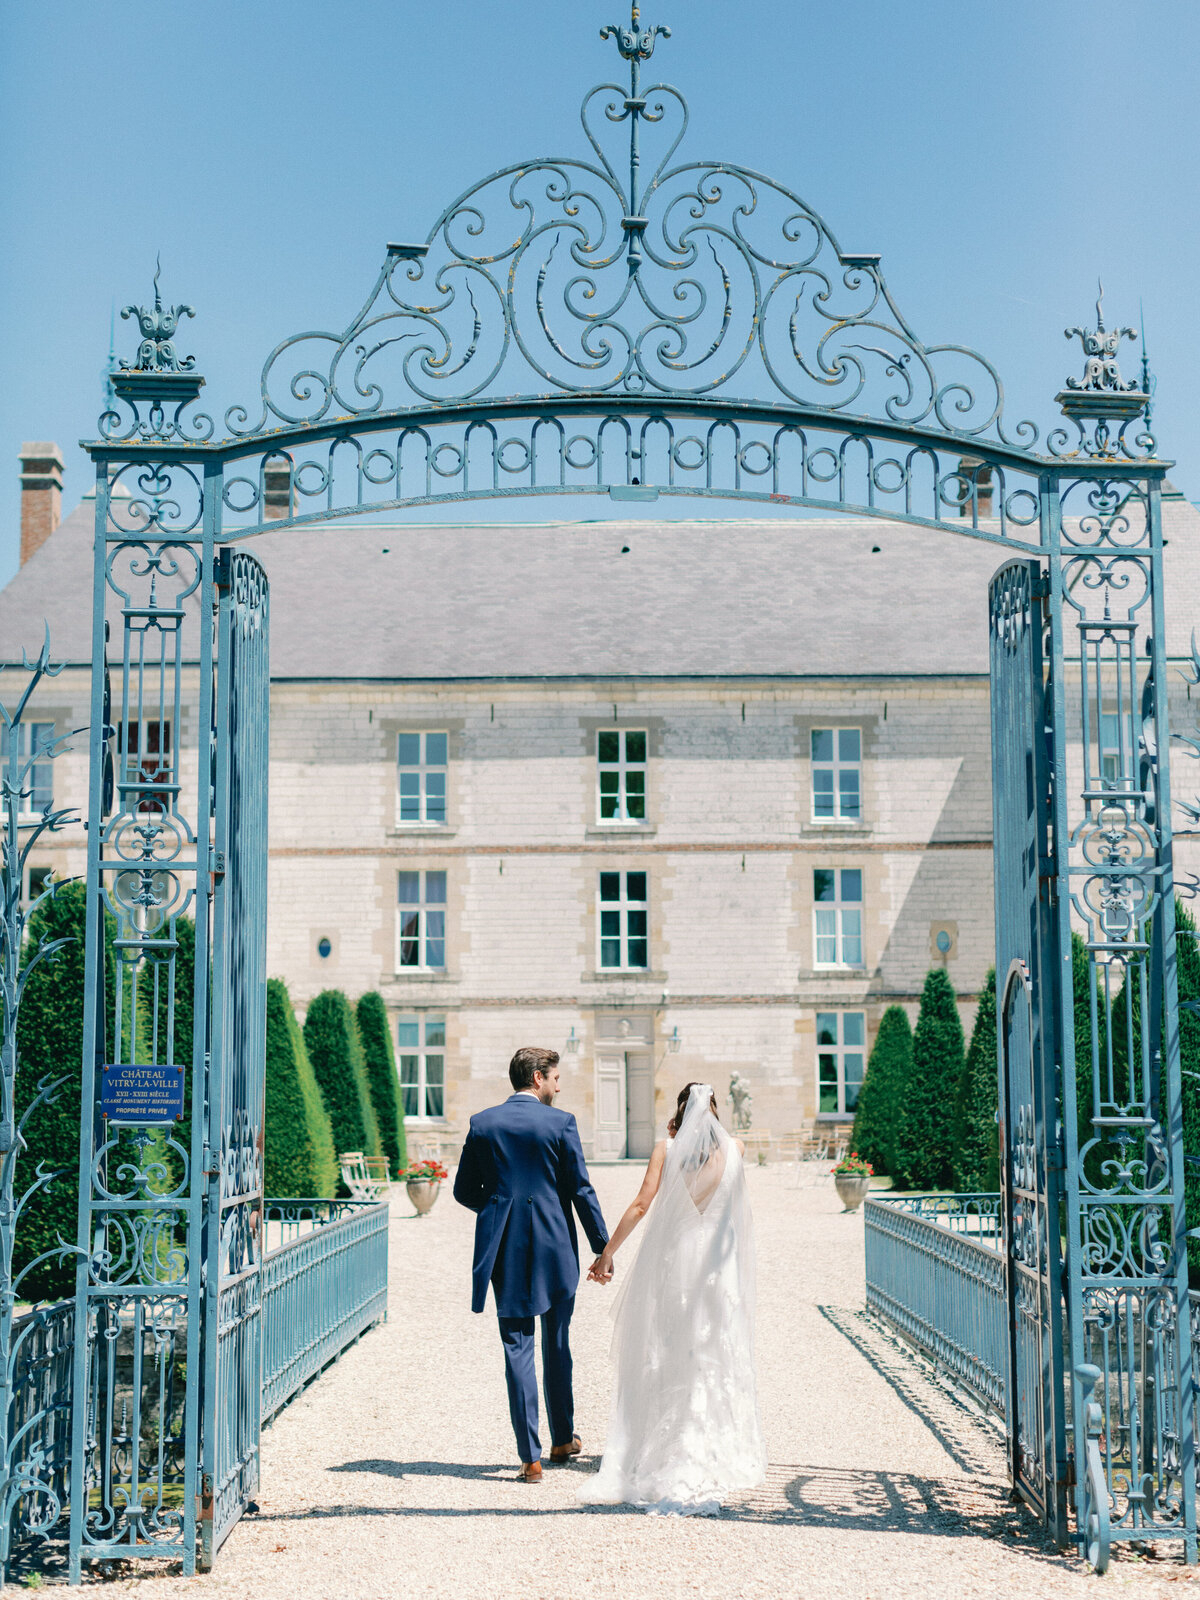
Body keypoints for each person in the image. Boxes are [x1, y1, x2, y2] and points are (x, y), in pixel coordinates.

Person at [579, 1081, 767, 1514]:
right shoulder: (735, 1148)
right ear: (715, 1114)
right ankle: (714, 1441)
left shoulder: (666, 1150)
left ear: (679, 1115)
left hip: (678, 1262)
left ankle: (664, 1444)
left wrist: (607, 1253)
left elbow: (642, 1205)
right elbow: (741, 1212)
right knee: (715, 1348)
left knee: (667, 1350)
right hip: (720, 1267)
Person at [453, 1045, 609, 1483]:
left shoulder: (483, 1123)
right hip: (556, 1243)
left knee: (516, 1345)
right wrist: (602, 1245)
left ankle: (531, 1458)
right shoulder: (561, 1123)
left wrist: (501, 1207)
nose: (559, 1086)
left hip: (507, 1247)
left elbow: (465, 1190)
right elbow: (581, 1188)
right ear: (538, 1077)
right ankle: (562, 1438)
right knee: (556, 1341)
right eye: (556, 1078)